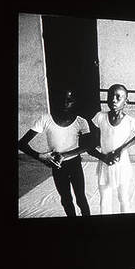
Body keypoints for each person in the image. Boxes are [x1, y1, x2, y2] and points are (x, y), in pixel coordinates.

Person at [17, 87, 91, 217]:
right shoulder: (45, 119)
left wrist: (64, 155)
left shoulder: (81, 121)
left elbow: (87, 146)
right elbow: (21, 144)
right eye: (61, 99)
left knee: (81, 198)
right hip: (57, 166)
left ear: (75, 102)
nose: (65, 103)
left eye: (69, 100)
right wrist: (40, 156)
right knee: (66, 199)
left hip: (74, 164)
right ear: (54, 100)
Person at [90, 83, 135, 215]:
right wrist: (103, 157)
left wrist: (121, 149)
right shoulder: (100, 117)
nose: (113, 100)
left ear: (126, 101)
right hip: (104, 163)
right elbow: (91, 143)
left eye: (118, 97)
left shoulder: (130, 121)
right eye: (110, 96)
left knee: (123, 198)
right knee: (104, 198)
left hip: (122, 165)